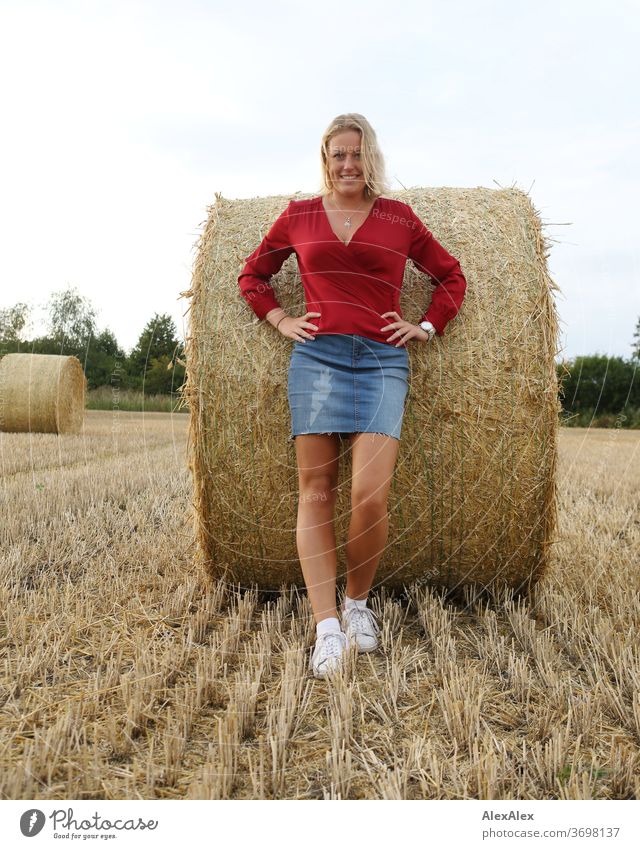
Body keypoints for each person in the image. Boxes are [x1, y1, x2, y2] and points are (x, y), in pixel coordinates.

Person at [238, 113, 466, 678]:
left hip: (383, 362)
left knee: (369, 496)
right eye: (337, 154)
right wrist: (280, 318)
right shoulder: (299, 216)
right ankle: (326, 628)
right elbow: (252, 276)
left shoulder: (399, 218)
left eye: (356, 154)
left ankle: (358, 606)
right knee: (316, 491)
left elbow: (451, 277)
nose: (347, 164)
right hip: (317, 361)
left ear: (371, 159)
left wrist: (427, 326)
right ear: (325, 159)